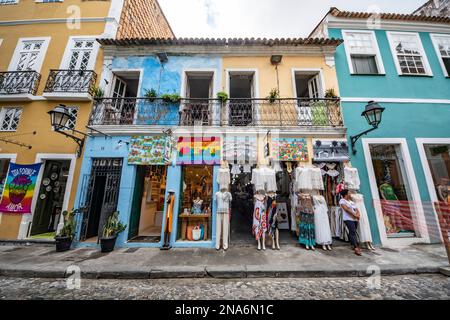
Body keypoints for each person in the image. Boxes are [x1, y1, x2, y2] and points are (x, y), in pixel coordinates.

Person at [339, 189, 362, 256]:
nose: (350, 194)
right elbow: (346, 209)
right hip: (348, 219)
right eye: (349, 193)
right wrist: (355, 215)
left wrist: (358, 215)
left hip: (355, 219)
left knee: (353, 231)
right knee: (352, 231)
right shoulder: (342, 201)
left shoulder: (351, 201)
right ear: (345, 194)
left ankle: (353, 244)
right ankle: (356, 247)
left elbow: (356, 209)